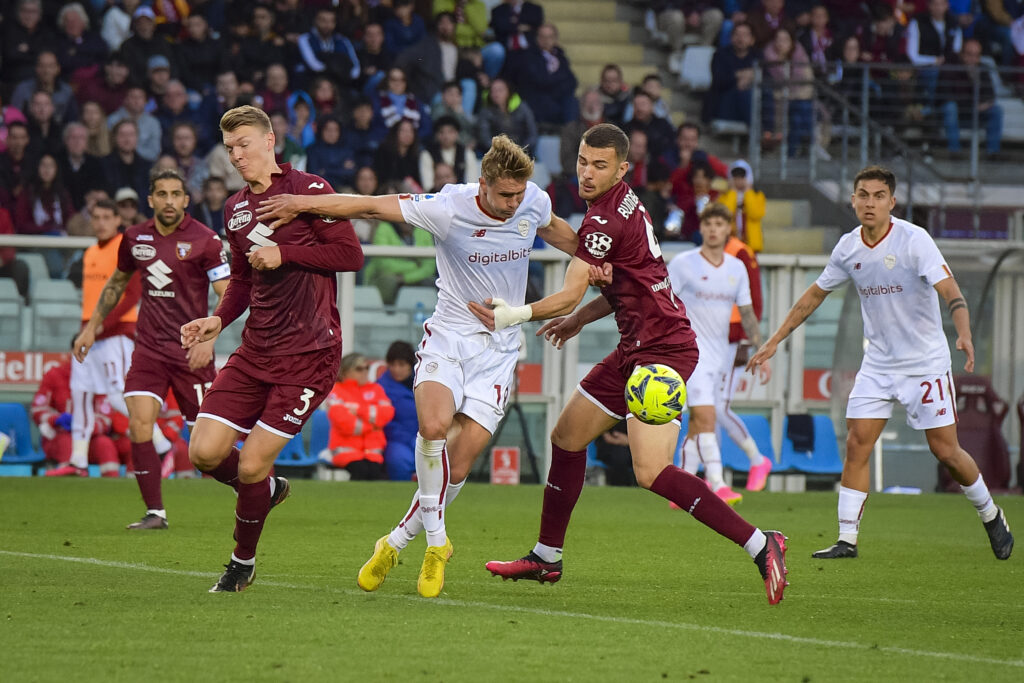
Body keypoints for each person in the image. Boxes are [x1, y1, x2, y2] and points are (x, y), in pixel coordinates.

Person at [255, 134, 590, 599]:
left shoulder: (532, 201)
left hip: (499, 351)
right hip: (449, 337)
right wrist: (302, 205)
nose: (513, 203)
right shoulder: (447, 207)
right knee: (433, 426)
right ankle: (437, 543)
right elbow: (370, 207)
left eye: (518, 194)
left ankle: (395, 541)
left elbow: (564, 236)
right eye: (505, 195)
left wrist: (604, 259)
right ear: (484, 184)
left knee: (462, 458)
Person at [474, 123, 789, 605]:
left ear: (622, 167)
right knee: (567, 436)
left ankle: (761, 543)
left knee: (651, 471)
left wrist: (512, 315)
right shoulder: (624, 202)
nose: (587, 172)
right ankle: (547, 556)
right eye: (582, 161)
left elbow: (569, 292)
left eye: (599, 165)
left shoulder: (602, 221)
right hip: (638, 347)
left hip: (662, 352)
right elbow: (629, 285)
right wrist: (582, 319)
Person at [748, 165, 1014, 561]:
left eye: (878, 196)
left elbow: (951, 290)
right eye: (862, 195)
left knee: (945, 451)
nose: (869, 203)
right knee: (857, 442)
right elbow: (813, 296)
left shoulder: (914, 240)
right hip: (878, 365)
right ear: (853, 200)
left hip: (924, 363)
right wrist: (773, 340)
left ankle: (991, 514)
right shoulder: (848, 247)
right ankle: (847, 539)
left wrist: (964, 333)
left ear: (892, 202)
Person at [180, 105, 364, 592]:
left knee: (251, 462)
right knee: (202, 452)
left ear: (269, 140)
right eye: (229, 149)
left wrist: (288, 252)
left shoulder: (311, 190)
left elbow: (351, 254)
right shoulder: (235, 208)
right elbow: (241, 278)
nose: (237, 156)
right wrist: (217, 321)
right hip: (255, 349)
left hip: (308, 355)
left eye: (244, 144)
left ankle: (242, 562)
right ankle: (262, 492)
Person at [73, 168, 228, 529]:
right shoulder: (134, 237)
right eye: (162, 194)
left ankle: (256, 488)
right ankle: (155, 512)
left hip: (192, 352)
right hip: (149, 350)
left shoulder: (205, 240)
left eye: (176, 194)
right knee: (140, 425)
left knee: (208, 448)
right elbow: (116, 284)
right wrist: (91, 328)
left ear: (186, 200)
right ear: (151, 199)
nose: (170, 201)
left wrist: (210, 339)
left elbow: (227, 293)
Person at [666, 202, 771, 505]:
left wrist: (760, 349)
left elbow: (748, 313)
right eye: (708, 223)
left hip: (720, 355)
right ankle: (717, 482)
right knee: (707, 415)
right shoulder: (685, 263)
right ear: (701, 228)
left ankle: (679, 488)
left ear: (728, 230)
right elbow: (663, 301)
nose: (713, 229)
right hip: (690, 352)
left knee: (699, 422)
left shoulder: (736, 268)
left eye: (719, 224)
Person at [47, 199, 142, 478]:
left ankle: (159, 444)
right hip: (89, 333)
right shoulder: (89, 252)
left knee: (117, 396)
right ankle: (78, 460)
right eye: (95, 217)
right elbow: (90, 301)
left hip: (116, 334)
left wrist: (101, 326)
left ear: (116, 220)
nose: (100, 222)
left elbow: (132, 297)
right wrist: (86, 329)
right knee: (81, 394)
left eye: (105, 217)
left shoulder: (125, 248)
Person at [31, 354, 121, 476]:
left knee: (104, 444)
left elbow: (106, 418)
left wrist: (84, 427)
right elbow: (38, 409)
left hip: (90, 438)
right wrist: (56, 419)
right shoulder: (54, 375)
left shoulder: (99, 378)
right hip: (58, 436)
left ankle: (113, 486)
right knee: (66, 441)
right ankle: (70, 481)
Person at [322, 352, 395, 480]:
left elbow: (387, 413)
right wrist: (373, 424)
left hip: (373, 451)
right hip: (346, 451)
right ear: (345, 372)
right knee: (360, 471)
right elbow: (344, 423)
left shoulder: (376, 389)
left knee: (377, 474)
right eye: (359, 369)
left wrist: (358, 410)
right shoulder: (336, 391)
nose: (365, 372)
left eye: (367, 368)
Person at [377, 340, 418, 481]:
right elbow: (382, 421)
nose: (396, 369)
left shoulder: (425, 383)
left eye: (401, 365)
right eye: (392, 364)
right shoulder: (380, 388)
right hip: (395, 440)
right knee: (399, 461)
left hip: (424, 438)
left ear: (411, 365)